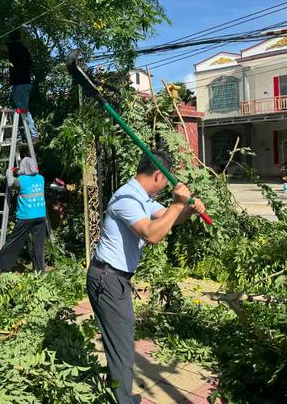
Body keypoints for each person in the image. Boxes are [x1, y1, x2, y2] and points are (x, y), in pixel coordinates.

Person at [86, 151, 206, 404]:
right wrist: (177, 203)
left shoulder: (143, 197)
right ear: (159, 175)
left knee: (121, 343)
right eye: (166, 180)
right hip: (107, 279)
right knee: (122, 346)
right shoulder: (126, 198)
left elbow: (166, 219)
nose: (165, 186)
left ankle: (118, 394)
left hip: (115, 279)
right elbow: (151, 235)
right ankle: (123, 400)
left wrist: (187, 210)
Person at [0, 156, 46, 273]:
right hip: (41, 216)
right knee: (39, 245)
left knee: (14, 241)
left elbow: (11, 184)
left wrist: (9, 173)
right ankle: (40, 271)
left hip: (26, 216)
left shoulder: (22, 180)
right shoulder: (41, 178)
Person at [5, 30, 39, 143]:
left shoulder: (13, 46)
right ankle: (22, 135)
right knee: (20, 110)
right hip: (26, 83)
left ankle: (33, 134)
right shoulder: (24, 49)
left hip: (19, 83)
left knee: (23, 110)